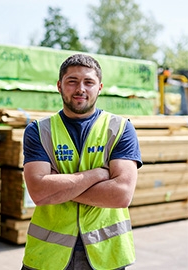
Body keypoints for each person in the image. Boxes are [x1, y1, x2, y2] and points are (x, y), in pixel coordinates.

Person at [21, 54, 142, 270]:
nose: (80, 89)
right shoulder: (39, 131)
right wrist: (97, 175)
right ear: (59, 86)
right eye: (72, 81)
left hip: (106, 256)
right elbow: (38, 192)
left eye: (88, 82)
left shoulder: (120, 129)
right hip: (48, 256)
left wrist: (57, 188)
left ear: (100, 87)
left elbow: (121, 194)